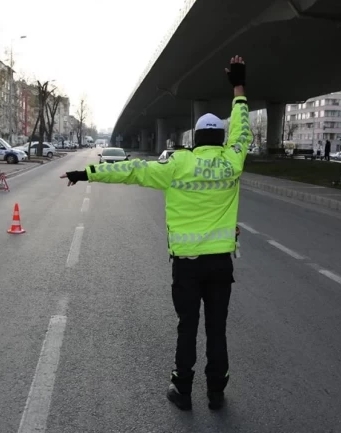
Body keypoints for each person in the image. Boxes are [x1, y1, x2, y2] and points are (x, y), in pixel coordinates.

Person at [61, 55, 251, 411]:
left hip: (187, 266)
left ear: (195, 138)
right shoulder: (232, 161)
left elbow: (131, 170)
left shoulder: (177, 163)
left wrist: (86, 173)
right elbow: (243, 130)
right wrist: (238, 88)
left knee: (187, 326)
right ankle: (215, 393)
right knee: (217, 330)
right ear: (221, 139)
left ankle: (182, 390)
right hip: (221, 265)